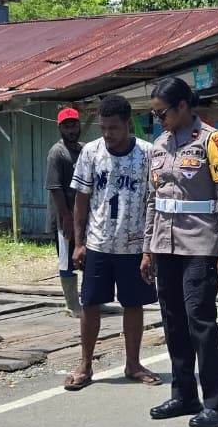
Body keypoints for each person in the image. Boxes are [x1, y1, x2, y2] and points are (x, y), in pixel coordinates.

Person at [141, 76, 218, 427]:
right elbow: (153, 200)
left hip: (200, 245)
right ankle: (184, 394)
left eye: (162, 113)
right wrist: (147, 248)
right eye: (154, 115)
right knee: (173, 321)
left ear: (182, 106)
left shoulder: (214, 141)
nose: (158, 120)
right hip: (164, 245)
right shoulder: (158, 145)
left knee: (200, 321)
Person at [63, 95, 160, 391]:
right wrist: (79, 243)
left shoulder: (148, 154)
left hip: (134, 245)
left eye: (113, 128)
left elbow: (154, 201)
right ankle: (85, 364)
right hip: (98, 244)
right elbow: (81, 201)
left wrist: (149, 249)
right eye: (103, 128)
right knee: (90, 303)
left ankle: (133, 363)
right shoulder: (91, 152)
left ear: (128, 124)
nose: (107, 134)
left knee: (134, 303)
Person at [46, 107, 84, 316]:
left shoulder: (84, 149)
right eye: (67, 126)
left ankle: (90, 300)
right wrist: (66, 217)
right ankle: (72, 304)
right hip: (64, 215)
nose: (71, 129)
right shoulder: (57, 152)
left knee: (87, 258)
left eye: (74, 125)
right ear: (59, 127)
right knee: (66, 259)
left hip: (83, 215)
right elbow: (54, 187)